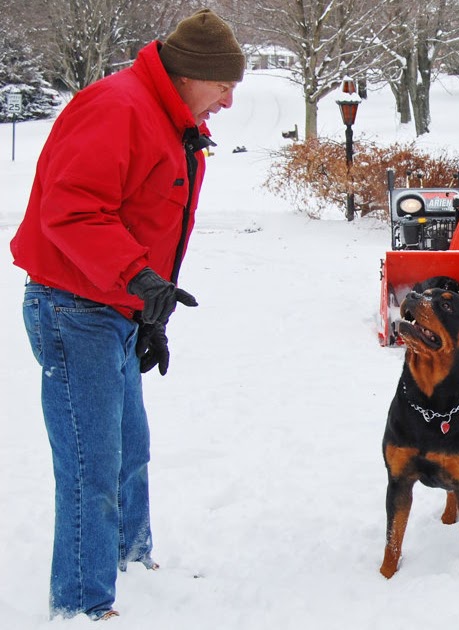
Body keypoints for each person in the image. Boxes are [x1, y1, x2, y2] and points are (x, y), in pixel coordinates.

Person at [9, 9, 244, 621]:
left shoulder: (167, 118)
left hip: (113, 305)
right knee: (91, 465)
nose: (228, 100)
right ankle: (83, 604)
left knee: (129, 448)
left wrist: (148, 315)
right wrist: (137, 277)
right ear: (192, 75)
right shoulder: (119, 108)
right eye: (223, 86)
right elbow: (72, 210)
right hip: (73, 307)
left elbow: (148, 217)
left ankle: (131, 562)